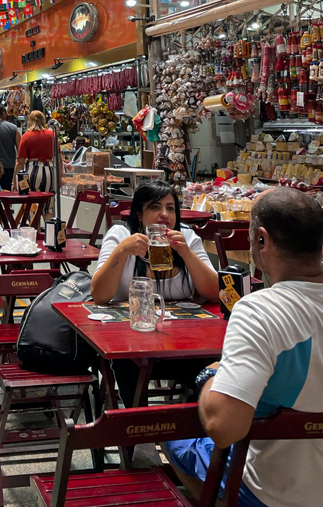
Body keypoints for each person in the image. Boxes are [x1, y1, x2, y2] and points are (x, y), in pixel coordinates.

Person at [166, 188, 323, 507]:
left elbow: (223, 429)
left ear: (261, 241)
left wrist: (208, 377)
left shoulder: (259, 311)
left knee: (175, 436)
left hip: (274, 494)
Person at [91, 181, 219, 406]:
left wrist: (187, 254)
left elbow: (214, 294)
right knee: (127, 364)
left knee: (213, 365)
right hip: (131, 342)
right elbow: (100, 296)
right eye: (155, 207)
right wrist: (122, 251)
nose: (164, 214)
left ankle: (198, 428)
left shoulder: (186, 237)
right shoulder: (121, 234)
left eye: (170, 208)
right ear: (139, 214)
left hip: (183, 342)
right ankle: (140, 429)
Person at [13, 110, 56, 192]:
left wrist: (15, 182)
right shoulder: (52, 135)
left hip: (32, 170)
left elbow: (20, 161)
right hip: (49, 170)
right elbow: (58, 158)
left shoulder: (26, 136)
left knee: (32, 200)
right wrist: (60, 176)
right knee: (48, 199)